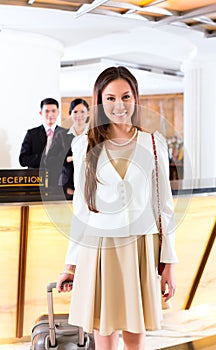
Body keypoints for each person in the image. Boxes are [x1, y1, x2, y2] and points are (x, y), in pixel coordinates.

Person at [56, 66, 177, 350]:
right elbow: (82, 208)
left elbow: (164, 206)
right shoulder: (83, 144)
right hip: (98, 248)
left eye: (125, 96)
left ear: (136, 98)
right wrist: (70, 265)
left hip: (140, 247)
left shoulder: (153, 143)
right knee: (104, 334)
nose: (118, 105)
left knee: (136, 335)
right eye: (109, 98)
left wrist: (169, 262)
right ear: (99, 101)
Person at [46, 98, 89, 197]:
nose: (79, 115)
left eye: (82, 111)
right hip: (69, 187)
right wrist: (69, 158)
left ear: (87, 114)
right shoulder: (62, 135)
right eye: (75, 112)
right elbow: (50, 160)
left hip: (90, 186)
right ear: (70, 114)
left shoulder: (94, 134)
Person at [19, 97, 64, 169]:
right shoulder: (31, 134)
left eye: (53, 111)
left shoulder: (65, 134)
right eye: (47, 111)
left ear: (58, 113)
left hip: (59, 178)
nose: (50, 114)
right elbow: (23, 160)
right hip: (36, 177)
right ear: (41, 113)